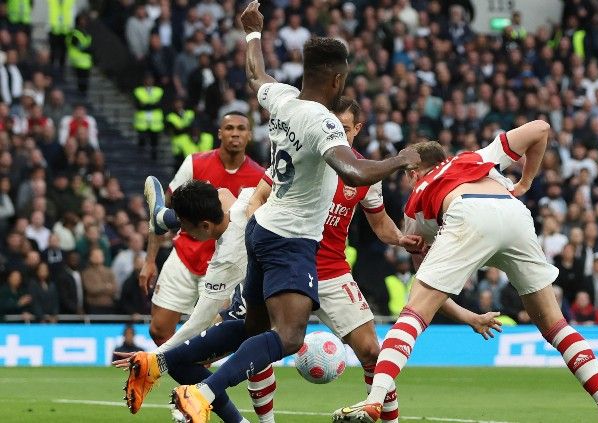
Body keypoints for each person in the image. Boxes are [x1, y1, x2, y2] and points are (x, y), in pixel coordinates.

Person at [128, 3, 419, 422]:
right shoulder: (323, 122)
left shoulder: (281, 98)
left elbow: (255, 75)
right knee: (286, 337)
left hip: (262, 229)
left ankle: (156, 362)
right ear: (338, 79)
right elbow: (352, 170)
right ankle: (204, 393)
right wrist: (400, 159)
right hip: (292, 238)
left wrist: (252, 34)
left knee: (253, 329)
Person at [333, 120, 598, 423]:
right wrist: (524, 182)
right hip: (514, 214)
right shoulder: (475, 156)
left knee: (413, 312)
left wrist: (457, 313)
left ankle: (375, 399)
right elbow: (541, 128)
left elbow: (429, 286)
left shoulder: (415, 204)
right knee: (556, 325)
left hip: (466, 211)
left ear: (412, 173)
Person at [141, 110, 268, 347]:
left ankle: (196, 381)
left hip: (224, 262)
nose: (235, 134)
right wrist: (150, 260)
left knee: (208, 338)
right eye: (229, 128)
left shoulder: (260, 177)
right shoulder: (195, 163)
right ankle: (184, 373)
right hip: (185, 255)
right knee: (158, 330)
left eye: (241, 129)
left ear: (249, 135)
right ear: (220, 133)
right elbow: (165, 210)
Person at [133, 74, 164, 160]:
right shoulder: (138, 91)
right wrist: (153, 104)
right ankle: (140, 159)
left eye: (151, 79)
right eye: (147, 79)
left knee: (154, 144)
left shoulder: (159, 91)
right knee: (141, 143)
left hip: (155, 123)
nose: (149, 81)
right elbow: (138, 105)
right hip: (142, 123)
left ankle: (154, 160)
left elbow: (160, 105)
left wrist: (145, 104)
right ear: (144, 81)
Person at [66, 14, 92, 95]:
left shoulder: (86, 32)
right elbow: (77, 45)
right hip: (77, 61)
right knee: (80, 82)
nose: (84, 22)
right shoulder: (74, 33)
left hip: (86, 62)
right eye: (82, 20)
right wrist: (88, 49)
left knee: (85, 84)